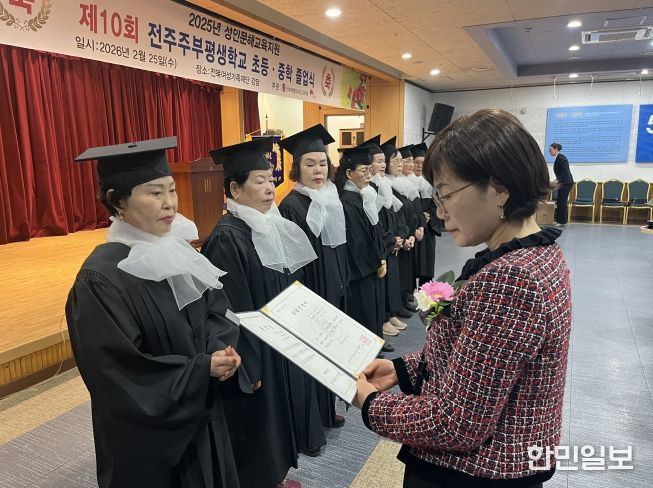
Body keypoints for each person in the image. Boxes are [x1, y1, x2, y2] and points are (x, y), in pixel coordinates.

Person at [355, 109, 572, 488]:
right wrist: (403, 368)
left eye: (447, 194)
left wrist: (370, 403)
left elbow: (457, 424)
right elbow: (486, 361)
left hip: (474, 472)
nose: (440, 211)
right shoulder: (536, 253)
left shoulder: (510, 279)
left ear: (499, 188)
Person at [67, 137, 248, 488]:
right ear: (117, 201)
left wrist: (219, 350)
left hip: (201, 410)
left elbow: (216, 309)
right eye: (155, 193)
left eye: (171, 190)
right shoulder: (101, 278)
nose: (170, 203)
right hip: (149, 439)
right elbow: (117, 373)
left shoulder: (180, 252)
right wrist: (199, 370)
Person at [202, 137, 316, 488]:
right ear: (235, 189)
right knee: (256, 421)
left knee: (276, 415)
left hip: (276, 339)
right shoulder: (228, 237)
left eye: (270, 180)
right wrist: (248, 365)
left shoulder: (267, 225)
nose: (269, 188)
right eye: (259, 181)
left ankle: (275, 477)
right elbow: (231, 310)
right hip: (253, 348)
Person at [277, 125, 348, 440]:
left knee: (328, 354)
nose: (318, 170)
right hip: (310, 291)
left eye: (322, 163)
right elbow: (293, 261)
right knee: (309, 360)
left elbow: (338, 247)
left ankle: (326, 409)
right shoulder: (291, 206)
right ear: (297, 168)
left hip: (332, 288)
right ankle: (309, 429)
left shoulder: (330, 198)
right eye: (310, 164)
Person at [335, 146, 387, 347]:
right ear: (349, 173)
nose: (369, 175)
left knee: (372, 308)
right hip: (360, 272)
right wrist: (376, 262)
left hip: (372, 265)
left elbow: (375, 230)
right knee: (363, 312)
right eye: (364, 171)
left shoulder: (362, 196)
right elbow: (358, 242)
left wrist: (382, 256)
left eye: (369, 170)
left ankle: (375, 343)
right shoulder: (347, 202)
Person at [358, 135, 409, 339]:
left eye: (382, 161)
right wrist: (390, 240)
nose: (382, 165)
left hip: (390, 242)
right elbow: (376, 222)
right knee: (382, 284)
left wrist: (399, 236)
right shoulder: (369, 189)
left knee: (391, 281)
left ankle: (390, 314)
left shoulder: (383, 185)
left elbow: (395, 214)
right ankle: (384, 318)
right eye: (378, 161)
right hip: (383, 244)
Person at [411, 142, 442, 286]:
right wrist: (419, 218)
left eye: (422, 163)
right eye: (416, 162)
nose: (419, 166)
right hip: (413, 228)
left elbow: (437, 203)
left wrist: (428, 214)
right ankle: (410, 293)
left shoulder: (430, 182)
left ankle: (425, 291)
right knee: (411, 264)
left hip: (428, 228)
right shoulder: (405, 183)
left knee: (426, 264)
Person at [549, 142, 573, 227]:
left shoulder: (561, 157)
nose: (549, 152)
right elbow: (562, 173)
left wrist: (557, 180)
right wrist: (557, 180)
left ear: (556, 149)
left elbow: (565, 172)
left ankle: (561, 222)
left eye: (551, 150)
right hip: (564, 182)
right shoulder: (558, 157)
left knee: (562, 201)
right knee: (560, 201)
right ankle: (560, 220)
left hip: (566, 183)